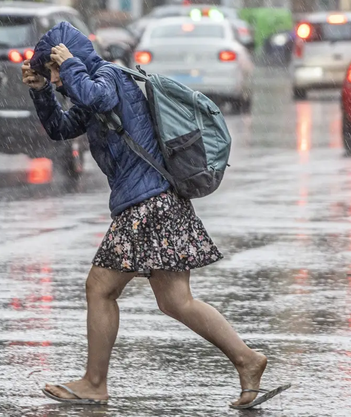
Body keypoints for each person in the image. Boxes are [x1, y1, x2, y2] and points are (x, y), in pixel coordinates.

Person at [22, 22, 287, 409]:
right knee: (177, 301)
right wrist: (43, 91)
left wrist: (72, 66)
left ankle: (95, 382)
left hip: (147, 203)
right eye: (54, 73)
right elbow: (61, 129)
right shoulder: (87, 84)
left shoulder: (109, 76)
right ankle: (247, 360)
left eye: (55, 70)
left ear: (71, 56)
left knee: (100, 287)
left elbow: (96, 98)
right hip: (157, 202)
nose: (58, 78)